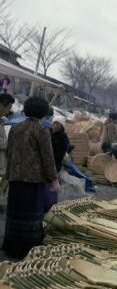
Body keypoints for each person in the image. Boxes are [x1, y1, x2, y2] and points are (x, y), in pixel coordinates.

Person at [3, 96, 60, 258]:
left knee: (15, 213)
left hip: (15, 178)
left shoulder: (16, 128)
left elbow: (10, 152)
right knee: (31, 216)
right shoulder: (41, 130)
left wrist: (9, 173)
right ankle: (28, 249)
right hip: (33, 180)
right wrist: (54, 180)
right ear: (43, 113)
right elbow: (47, 157)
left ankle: (11, 246)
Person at [0, 93, 15, 177]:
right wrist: (11, 142)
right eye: (8, 108)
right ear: (1, 105)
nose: (8, 112)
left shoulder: (2, 121)